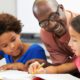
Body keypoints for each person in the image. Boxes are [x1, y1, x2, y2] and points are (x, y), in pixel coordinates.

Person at [28, 0, 80, 77]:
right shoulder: (45, 33)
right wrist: (44, 67)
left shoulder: (77, 24)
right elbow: (66, 66)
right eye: (44, 23)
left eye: (53, 16)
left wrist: (53, 69)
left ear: (61, 8)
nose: (52, 25)